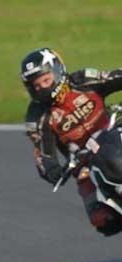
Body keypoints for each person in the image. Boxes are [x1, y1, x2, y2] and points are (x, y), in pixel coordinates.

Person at [21, 47, 122, 236]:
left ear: (58, 70)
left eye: (45, 80)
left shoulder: (83, 80)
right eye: (36, 85)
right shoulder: (38, 117)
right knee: (103, 221)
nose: (42, 88)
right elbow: (44, 155)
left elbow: (115, 77)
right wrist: (54, 171)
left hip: (116, 134)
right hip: (86, 164)